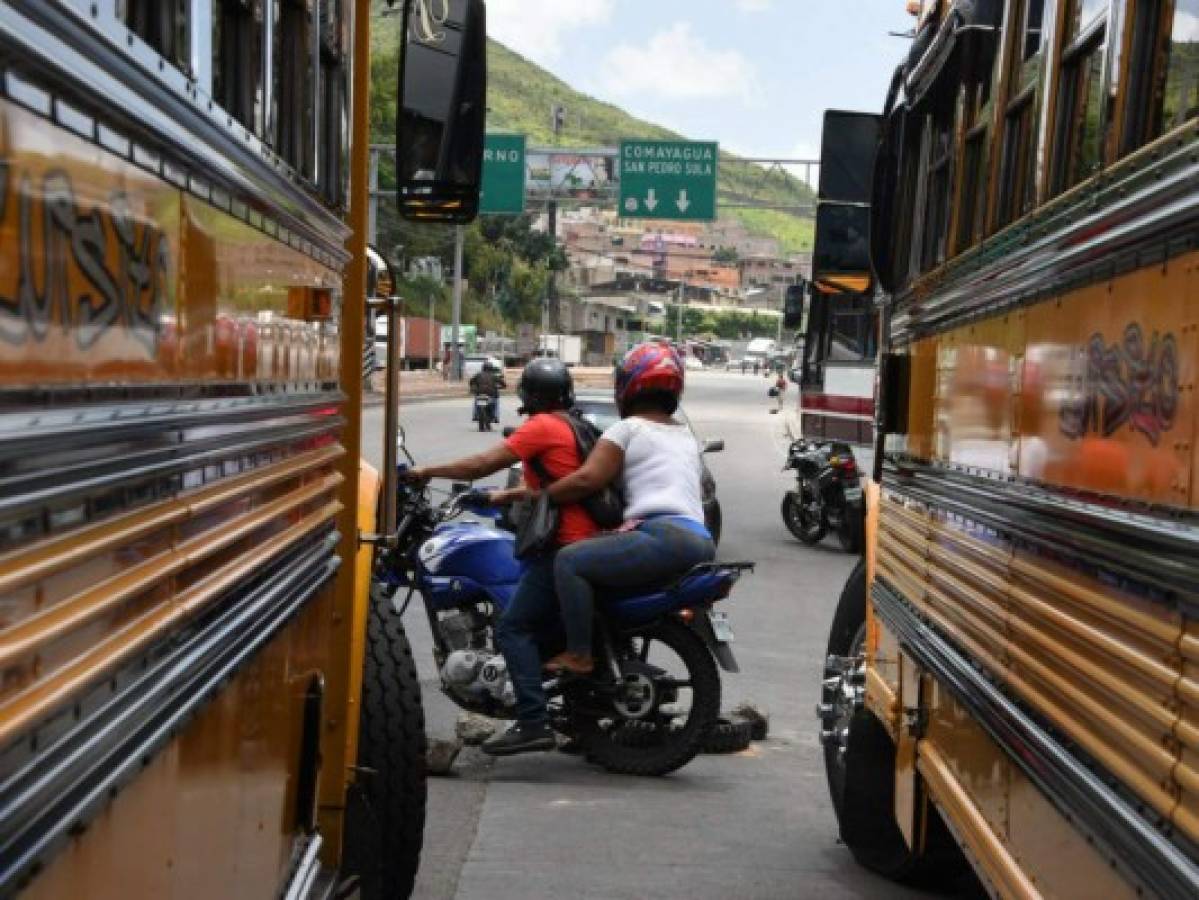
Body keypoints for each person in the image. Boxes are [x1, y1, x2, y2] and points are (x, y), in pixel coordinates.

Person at [403, 359, 598, 755]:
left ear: (529, 394)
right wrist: (497, 497)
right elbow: (548, 487)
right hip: (587, 538)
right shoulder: (576, 425)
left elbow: (480, 464)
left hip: (563, 543)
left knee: (511, 628)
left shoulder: (541, 427)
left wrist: (426, 471)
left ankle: (532, 722)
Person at [518, 343, 716, 675]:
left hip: (661, 535)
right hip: (699, 537)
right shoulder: (684, 437)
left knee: (569, 561)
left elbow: (586, 481)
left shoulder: (625, 430)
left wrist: (545, 496)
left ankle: (579, 654)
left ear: (627, 386)